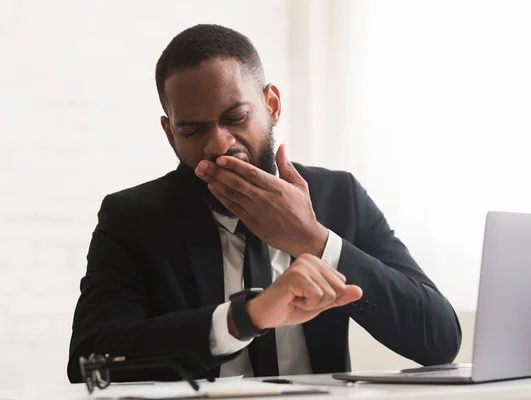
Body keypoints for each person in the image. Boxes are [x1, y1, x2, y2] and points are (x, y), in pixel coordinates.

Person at [67, 24, 461, 383]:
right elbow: (90, 358)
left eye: (235, 117)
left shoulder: (339, 197)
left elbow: (440, 339)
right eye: (192, 130)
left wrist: (315, 241)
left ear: (271, 104)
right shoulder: (134, 218)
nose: (219, 144)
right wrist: (244, 317)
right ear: (170, 134)